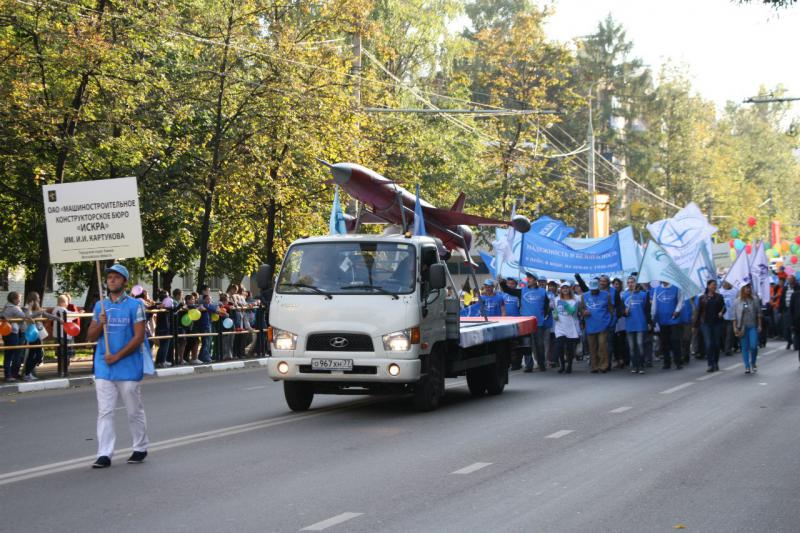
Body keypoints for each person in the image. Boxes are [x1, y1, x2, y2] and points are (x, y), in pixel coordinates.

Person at [86, 263, 150, 468]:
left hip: (128, 365)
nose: (111, 280)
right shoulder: (100, 306)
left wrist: (118, 356)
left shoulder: (135, 305)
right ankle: (104, 453)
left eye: (116, 277)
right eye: (109, 277)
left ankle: (140, 447)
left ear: (124, 281)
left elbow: (139, 336)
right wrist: (98, 323)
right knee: (105, 411)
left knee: (133, 410)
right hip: (104, 366)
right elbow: (90, 337)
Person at [500, 272, 549, 372]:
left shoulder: (543, 292)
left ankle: (541, 363)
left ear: (535, 280)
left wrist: (543, 315)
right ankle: (529, 365)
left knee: (539, 344)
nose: (528, 279)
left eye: (530, 278)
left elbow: (547, 306)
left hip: (538, 322)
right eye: (528, 278)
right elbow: (508, 290)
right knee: (526, 345)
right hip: (526, 323)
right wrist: (502, 283)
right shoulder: (522, 291)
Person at [22, 291, 60, 381]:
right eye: (37, 298)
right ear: (33, 300)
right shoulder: (26, 308)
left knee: (34, 355)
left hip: (37, 334)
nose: (39, 299)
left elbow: (47, 315)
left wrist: (58, 318)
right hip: (32, 334)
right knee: (37, 356)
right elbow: (28, 316)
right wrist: (33, 309)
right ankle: (27, 373)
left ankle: (28, 373)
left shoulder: (38, 308)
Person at [580, 278, 614, 373]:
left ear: (598, 287)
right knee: (592, 347)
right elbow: (581, 309)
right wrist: (583, 312)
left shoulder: (606, 295)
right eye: (592, 289)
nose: (594, 290)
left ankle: (603, 365)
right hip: (590, 325)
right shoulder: (584, 296)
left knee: (602, 345)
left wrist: (610, 322)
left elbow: (611, 309)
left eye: (595, 288)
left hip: (603, 325)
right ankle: (594, 366)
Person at [652, 281, 684, 370]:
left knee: (675, 341)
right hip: (662, 319)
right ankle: (667, 363)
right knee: (664, 342)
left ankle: (678, 362)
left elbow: (681, 300)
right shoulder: (657, 289)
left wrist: (677, 310)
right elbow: (654, 304)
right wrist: (653, 316)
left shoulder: (676, 288)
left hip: (673, 319)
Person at [695, 279, 726, 372]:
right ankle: (710, 364)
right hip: (706, 324)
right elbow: (699, 312)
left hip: (717, 323)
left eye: (715, 285)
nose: (714, 287)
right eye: (712, 285)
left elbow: (724, 308)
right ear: (708, 286)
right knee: (708, 344)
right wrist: (695, 325)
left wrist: (722, 312)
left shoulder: (719, 297)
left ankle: (716, 362)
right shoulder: (702, 298)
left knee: (716, 344)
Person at [623, 277, 650, 374]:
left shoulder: (643, 295)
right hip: (629, 324)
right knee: (632, 347)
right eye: (628, 283)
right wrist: (624, 312)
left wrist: (649, 322)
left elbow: (647, 310)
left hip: (640, 323)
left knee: (639, 344)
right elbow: (621, 311)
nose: (630, 284)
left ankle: (641, 365)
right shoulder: (624, 295)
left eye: (632, 282)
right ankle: (634, 365)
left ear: (636, 283)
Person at [733, 283, 761, 374]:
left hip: (752, 325)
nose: (748, 289)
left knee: (753, 346)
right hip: (742, 327)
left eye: (749, 288)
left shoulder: (755, 299)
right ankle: (747, 366)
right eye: (746, 288)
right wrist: (735, 327)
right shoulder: (737, 301)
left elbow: (759, 313)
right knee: (744, 347)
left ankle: (753, 363)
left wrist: (760, 325)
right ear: (742, 289)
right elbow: (734, 316)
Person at [552, 284, 581, 373]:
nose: (565, 290)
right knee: (560, 346)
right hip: (560, 326)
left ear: (570, 289)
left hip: (570, 326)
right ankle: (562, 365)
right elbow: (555, 310)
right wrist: (555, 315)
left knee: (569, 348)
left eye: (566, 288)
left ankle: (569, 365)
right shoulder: (556, 299)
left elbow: (572, 312)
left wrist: (565, 304)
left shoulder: (575, 300)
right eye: (563, 288)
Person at [2, 292, 26, 382]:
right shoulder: (14, 308)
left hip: (7, 332)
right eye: (19, 298)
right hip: (12, 333)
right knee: (10, 355)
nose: (20, 300)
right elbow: (24, 316)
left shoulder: (7, 306)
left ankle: (10, 374)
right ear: (14, 299)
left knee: (9, 354)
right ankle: (9, 376)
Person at [720, 279, 738, 356]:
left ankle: (728, 349)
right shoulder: (720, 291)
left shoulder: (735, 291)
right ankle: (724, 347)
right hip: (722, 317)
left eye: (729, 282)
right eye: (725, 282)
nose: (727, 284)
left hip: (732, 317)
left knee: (729, 334)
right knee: (723, 333)